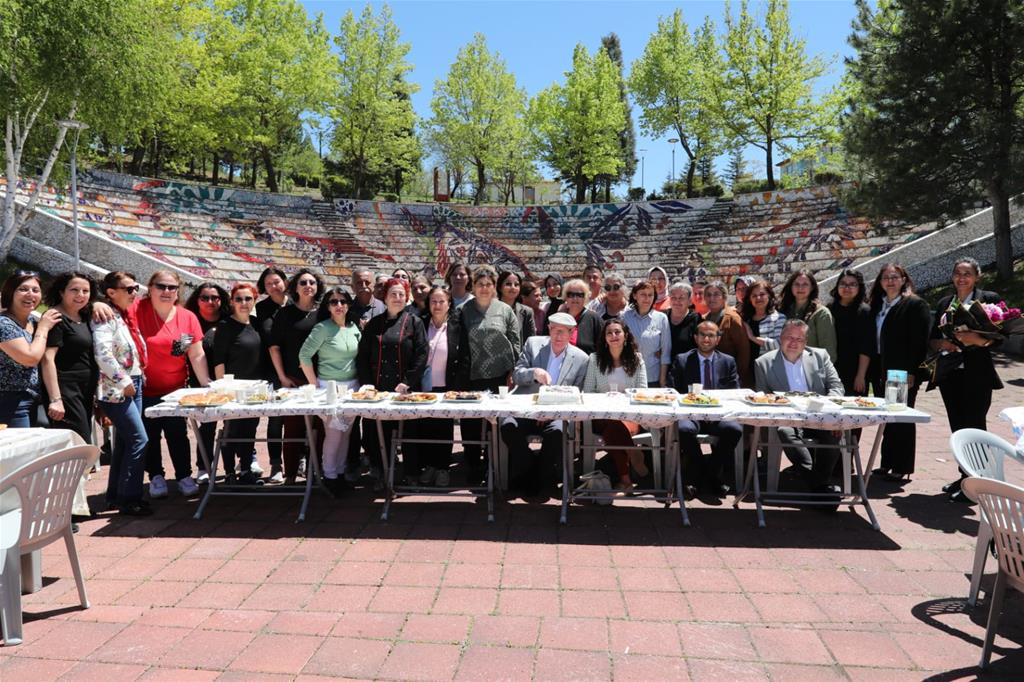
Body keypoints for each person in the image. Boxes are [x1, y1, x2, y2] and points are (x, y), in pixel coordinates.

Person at [929, 257, 1003, 501]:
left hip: (977, 376)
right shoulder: (944, 302)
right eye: (958, 273)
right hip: (951, 375)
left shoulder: (988, 299)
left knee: (975, 428)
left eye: (967, 273)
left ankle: (978, 485)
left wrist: (978, 340)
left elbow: (1000, 335)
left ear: (977, 276)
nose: (962, 278)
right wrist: (943, 343)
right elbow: (932, 338)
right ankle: (964, 477)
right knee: (958, 429)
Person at [137, 270, 210, 498]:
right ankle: (156, 476)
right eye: (161, 286)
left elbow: (193, 354)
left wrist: (206, 382)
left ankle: (183, 476)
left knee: (177, 433)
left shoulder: (186, 317)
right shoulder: (137, 311)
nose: (166, 291)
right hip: (144, 389)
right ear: (150, 288)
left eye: (171, 287)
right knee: (150, 435)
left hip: (175, 389)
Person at [502, 312, 588, 496]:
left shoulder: (581, 358)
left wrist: (551, 412)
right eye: (554, 330)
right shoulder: (533, 345)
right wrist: (534, 372)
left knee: (557, 431)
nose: (558, 336)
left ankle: (539, 475)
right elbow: (517, 375)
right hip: (526, 409)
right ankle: (531, 468)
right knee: (508, 425)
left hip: (557, 414)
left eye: (563, 332)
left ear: (571, 333)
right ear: (548, 329)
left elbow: (577, 395)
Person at [754, 319, 845, 496]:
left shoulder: (820, 356)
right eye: (789, 337)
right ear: (781, 338)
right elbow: (762, 398)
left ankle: (818, 485)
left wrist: (828, 409)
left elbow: (836, 387)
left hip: (819, 415)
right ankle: (819, 486)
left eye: (800, 339)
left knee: (834, 433)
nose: (794, 343)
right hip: (787, 419)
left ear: (806, 342)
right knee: (785, 432)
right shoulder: (763, 363)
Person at [357, 277, 427, 485]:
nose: (397, 298)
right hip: (378, 390)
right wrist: (368, 384)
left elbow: (422, 355)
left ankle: (411, 473)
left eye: (401, 294)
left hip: (405, 390)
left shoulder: (415, 323)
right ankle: (380, 470)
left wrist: (407, 382)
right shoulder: (374, 325)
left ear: (407, 298)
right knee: (378, 433)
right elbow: (362, 357)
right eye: (393, 294)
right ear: (385, 298)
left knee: (409, 434)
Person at [867, 264, 932, 481]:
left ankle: (901, 466)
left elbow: (919, 342)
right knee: (888, 416)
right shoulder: (878, 304)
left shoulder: (914, 304)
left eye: (895, 277)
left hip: (900, 370)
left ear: (904, 279)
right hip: (879, 367)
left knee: (901, 417)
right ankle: (887, 463)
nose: (890, 281)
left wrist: (912, 371)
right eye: (885, 277)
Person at [93, 271, 150, 515]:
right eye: (128, 289)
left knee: (126, 440)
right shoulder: (104, 316)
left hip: (131, 382)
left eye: (135, 287)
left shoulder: (122, 314)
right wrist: (123, 380)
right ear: (111, 293)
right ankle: (131, 498)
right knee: (139, 439)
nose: (134, 293)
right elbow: (103, 353)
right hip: (117, 387)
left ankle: (116, 495)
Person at [459, 265, 520, 484]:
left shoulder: (505, 310)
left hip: (500, 375)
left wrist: (513, 370)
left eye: (488, 284)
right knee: (471, 424)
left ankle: (494, 465)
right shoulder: (464, 311)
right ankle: (473, 466)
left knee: (496, 423)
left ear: (494, 286)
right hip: (472, 375)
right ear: (473, 286)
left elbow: (515, 341)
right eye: (480, 284)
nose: (484, 288)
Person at [670, 320, 743, 500]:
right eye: (702, 334)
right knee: (683, 429)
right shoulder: (683, 360)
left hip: (719, 414)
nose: (706, 339)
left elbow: (734, 392)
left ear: (718, 339)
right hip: (690, 413)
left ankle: (707, 472)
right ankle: (707, 473)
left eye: (711, 335)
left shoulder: (728, 362)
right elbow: (673, 391)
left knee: (734, 429)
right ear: (695, 338)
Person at [299, 288, 361, 495]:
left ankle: (340, 473)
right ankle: (330, 476)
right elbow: (304, 356)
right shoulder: (321, 328)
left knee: (346, 434)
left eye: (342, 301)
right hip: (330, 389)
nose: (339, 305)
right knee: (334, 434)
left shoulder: (354, 327)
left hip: (352, 388)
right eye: (333, 302)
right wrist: (315, 385)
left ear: (349, 304)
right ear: (327, 306)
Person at [406, 285, 469, 487]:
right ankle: (429, 467)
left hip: (447, 387)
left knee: (444, 429)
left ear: (449, 303)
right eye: (433, 301)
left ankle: (442, 469)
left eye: (442, 301)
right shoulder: (420, 324)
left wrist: (457, 387)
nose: (437, 305)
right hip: (423, 388)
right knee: (425, 428)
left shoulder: (457, 326)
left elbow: (465, 358)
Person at [269, 268, 324, 485]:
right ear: (295, 287)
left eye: (312, 282)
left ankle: (316, 471)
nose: (308, 285)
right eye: (303, 282)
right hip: (294, 379)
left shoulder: (324, 313)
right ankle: (290, 475)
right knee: (293, 428)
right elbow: (275, 348)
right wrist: (282, 376)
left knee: (319, 429)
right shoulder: (285, 314)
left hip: (320, 380)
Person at [582, 318, 649, 490]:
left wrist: (621, 398)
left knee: (614, 428)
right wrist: (607, 400)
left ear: (625, 335)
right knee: (612, 425)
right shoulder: (595, 359)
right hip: (601, 414)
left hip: (629, 415)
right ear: (604, 338)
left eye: (617, 332)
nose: (613, 336)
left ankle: (625, 480)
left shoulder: (636, 359)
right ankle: (633, 452)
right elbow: (588, 391)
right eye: (609, 333)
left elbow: (642, 392)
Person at [208, 283, 264, 485]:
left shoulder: (256, 324)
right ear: (231, 302)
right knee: (232, 430)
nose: (243, 303)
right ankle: (230, 472)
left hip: (254, 389)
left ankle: (246, 469)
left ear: (254, 301)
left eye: (248, 299)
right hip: (232, 389)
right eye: (239, 299)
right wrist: (223, 389)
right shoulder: (225, 326)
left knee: (250, 430)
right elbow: (219, 360)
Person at [40, 272, 98, 443]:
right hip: (66, 392)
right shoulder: (55, 318)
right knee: (78, 444)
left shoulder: (85, 317)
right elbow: (47, 359)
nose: (80, 295)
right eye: (74, 290)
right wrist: (56, 399)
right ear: (61, 292)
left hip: (85, 391)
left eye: (85, 291)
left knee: (81, 445)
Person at [0, 271, 62, 427]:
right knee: (18, 449)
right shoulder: (4, 324)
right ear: (10, 293)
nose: (30, 294)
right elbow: (30, 358)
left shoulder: (31, 323)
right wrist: (44, 328)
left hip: (33, 397)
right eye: (23, 289)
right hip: (9, 401)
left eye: (35, 290)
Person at [185, 282, 230, 482]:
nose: (210, 302)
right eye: (205, 298)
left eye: (215, 297)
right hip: (200, 382)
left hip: (229, 381)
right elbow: (178, 352)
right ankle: (204, 466)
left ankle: (239, 464)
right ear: (197, 300)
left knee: (234, 423)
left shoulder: (229, 321)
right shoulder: (189, 322)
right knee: (207, 426)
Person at [255, 267, 288, 483]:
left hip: (299, 367)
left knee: (301, 419)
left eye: (276, 281)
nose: (273, 286)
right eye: (268, 284)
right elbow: (268, 340)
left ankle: (302, 458)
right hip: (273, 370)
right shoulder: (262, 308)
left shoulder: (297, 302)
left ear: (285, 281)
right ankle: (276, 463)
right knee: (276, 420)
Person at [827, 269, 873, 397]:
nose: (847, 288)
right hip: (832, 369)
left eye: (852, 284)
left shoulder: (865, 311)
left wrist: (860, 375)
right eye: (843, 283)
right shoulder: (829, 309)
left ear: (860, 287)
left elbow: (866, 346)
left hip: (855, 370)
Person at [701, 281, 752, 388]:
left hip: (728, 376)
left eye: (716, 294)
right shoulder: (704, 319)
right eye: (708, 295)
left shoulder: (732, 319)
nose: (712, 298)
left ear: (724, 297)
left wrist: (737, 377)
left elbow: (743, 351)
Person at [779, 269, 838, 361]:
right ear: (791, 287)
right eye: (796, 284)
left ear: (812, 287)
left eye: (805, 284)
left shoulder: (821, 313)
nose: (800, 288)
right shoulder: (782, 311)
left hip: (811, 369)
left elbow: (828, 352)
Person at [622, 280, 670, 387]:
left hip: (653, 376)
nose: (647, 298)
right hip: (629, 375)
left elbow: (665, 352)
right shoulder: (624, 317)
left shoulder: (661, 318)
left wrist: (662, 380)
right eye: (643, 294)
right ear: (635, 296)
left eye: (650, 295)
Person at [740, 279, 787, 384]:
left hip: (769, 370)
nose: (758, 298)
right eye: (754, 296)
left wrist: (752, 338)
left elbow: (779, 345)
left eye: (762, 294)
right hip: (747, 371)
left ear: (769, 296)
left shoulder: (779, 318)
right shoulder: (745, 319)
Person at [560, 278, 603, 356]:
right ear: (565, 297)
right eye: (571, 294)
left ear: (586, 297)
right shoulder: (559, 317)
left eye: (580, 295)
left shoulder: (594, 319)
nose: (575, 298)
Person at [497, 270, 537, 343]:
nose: (513, 287)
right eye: (508, 284)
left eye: (516, 284)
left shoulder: (527, 312)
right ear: (500, 287)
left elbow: (531, 341)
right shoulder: (491, 309)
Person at [666, 281, 701, 359]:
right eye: (673, 297)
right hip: (662, 367)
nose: (677, 301)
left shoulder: (697, 319)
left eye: (681, 298)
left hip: (687, 367)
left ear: (689, 301)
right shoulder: (662, 317)